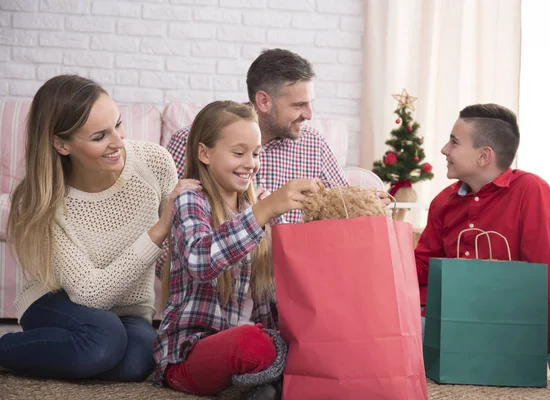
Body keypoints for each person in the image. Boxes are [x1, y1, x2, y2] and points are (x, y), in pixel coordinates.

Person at [0, 75, 198, 381]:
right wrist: (160, 229)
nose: (118, 142)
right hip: (57, 302)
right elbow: (91, 295)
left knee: (138, 360)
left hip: (129, 312)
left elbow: (179, 250)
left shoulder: (154, 162)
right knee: (104, 339)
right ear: (61, 144)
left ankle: (73, 355)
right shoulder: (43, 201)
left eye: (118, 124)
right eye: (99, 136)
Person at [152, 100, 319, 400]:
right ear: (204, 153)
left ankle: (263, 381)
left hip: (254, 338)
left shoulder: (253, 207)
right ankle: (271, 377)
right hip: (190, 353)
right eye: (239, 153)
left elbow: (276, 292)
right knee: (251, 345)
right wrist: (264, 212)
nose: (251, 163)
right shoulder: (191, 200)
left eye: (255, 154)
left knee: (310, 338)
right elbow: (200, 261)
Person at [415, 103, 550, 387]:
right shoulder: (443, 201)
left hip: (505, 332)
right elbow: (421, 267)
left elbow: (548, 277)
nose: (444, 150)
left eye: (454, 142)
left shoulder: (531, 191)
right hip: (446, 329)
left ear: (484, 156)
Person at [167, 48, 350, 223]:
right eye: (298, 105)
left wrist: (375, 203)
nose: (309, 115)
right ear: (264, 101)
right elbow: (164, 225)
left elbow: (347, 207)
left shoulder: (314, 144)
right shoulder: (191, 141)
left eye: (309, 103)